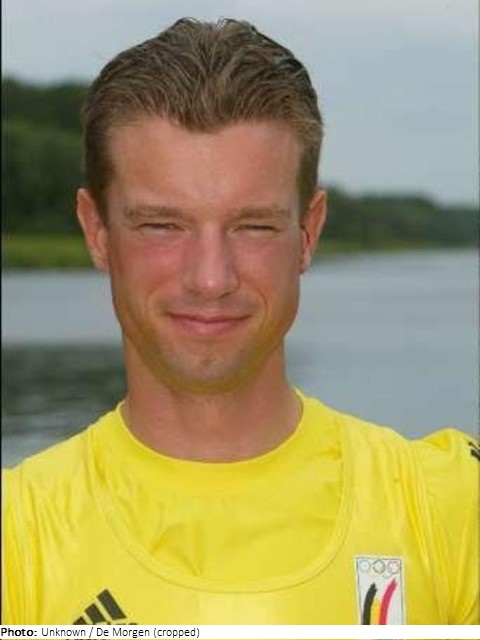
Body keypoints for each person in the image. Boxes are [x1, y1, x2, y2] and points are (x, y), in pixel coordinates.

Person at [2, 18, 478, 626]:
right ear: (97, 231)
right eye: (161, 226)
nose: (210, 278)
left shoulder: (450, 508)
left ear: (308, 233)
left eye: (253, 226)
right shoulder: (18, 537)